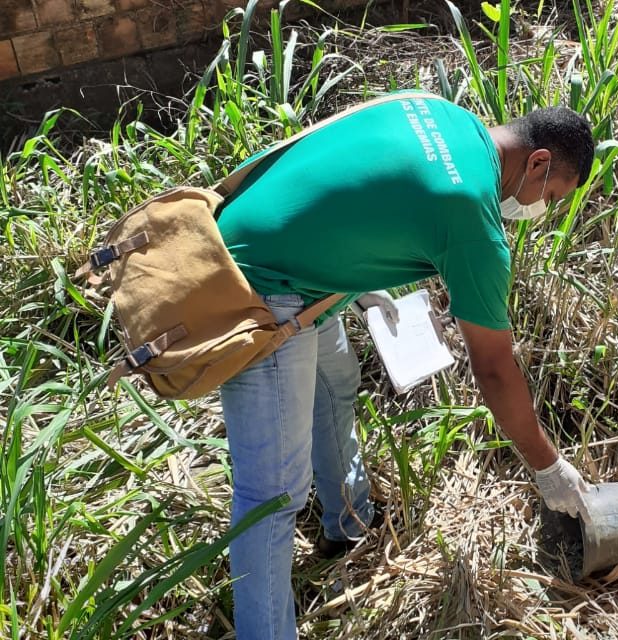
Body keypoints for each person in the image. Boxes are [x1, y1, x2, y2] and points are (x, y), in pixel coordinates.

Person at [215, 91, 595, 640]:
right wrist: (548, 468)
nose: (540, 209)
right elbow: (492, 370)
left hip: (275, 244)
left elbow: (361, 172)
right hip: (260, 286)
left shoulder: (447, 116)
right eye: (551, 195)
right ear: (537, 162)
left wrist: (359, 277)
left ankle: (346, 524)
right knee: (272, 494)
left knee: (335, 382)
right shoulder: (474, 218)